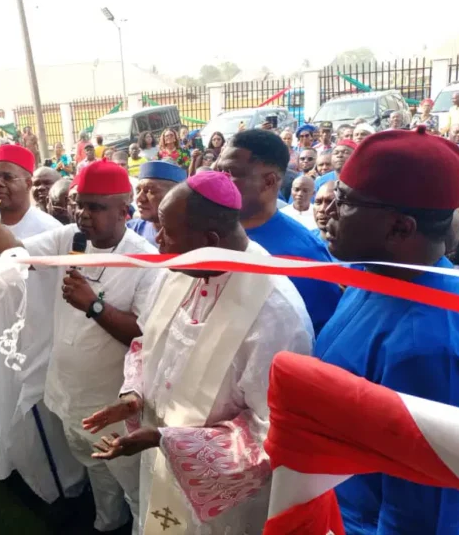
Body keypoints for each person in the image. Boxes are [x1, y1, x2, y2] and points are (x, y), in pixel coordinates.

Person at [83, 170, 313, 534]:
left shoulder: (276, 314)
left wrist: (166, 439)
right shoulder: (180, 270)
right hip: (159, 462)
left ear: (210, 240)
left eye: (167, 232)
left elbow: (272, 432)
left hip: (219, 497)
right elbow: (148, 343)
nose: (158, 241)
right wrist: (133, 396)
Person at [0, 160, 161, 534]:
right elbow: (14, 252)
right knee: (95, 469)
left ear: (124, 210)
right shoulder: (69, 238)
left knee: (134, 486)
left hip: (113, 404)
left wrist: (95, 306)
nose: (83, 215)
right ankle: (107, 523)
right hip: (68, 392)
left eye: (96, 207)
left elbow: (144, 336)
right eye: (80, 204)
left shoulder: (145, 259)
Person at [314, 126, 459, 534]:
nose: (328, 210)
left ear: (400, 229)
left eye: (344, 201)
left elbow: (423, 516)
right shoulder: (375, 275)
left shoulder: (428, 347)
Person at [0, 144, 86, 503]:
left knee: (41, 419)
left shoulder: (48, 228)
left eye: (7, 176)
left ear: (29, 182)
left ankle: (60, 486)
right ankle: (12, 464)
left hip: (34, 341)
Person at [215, 129, 342, 333]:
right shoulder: (210, 234)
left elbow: (315, 337)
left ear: (269, 181)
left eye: (231, 173)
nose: (218, 180)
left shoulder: (304, 258)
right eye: (219, 170)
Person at [127, 161, 187, 247]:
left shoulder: (193, 237)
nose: (140, 198)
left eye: (150, 191)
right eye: (138, 190)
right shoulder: (131, 230)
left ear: (175, 195)